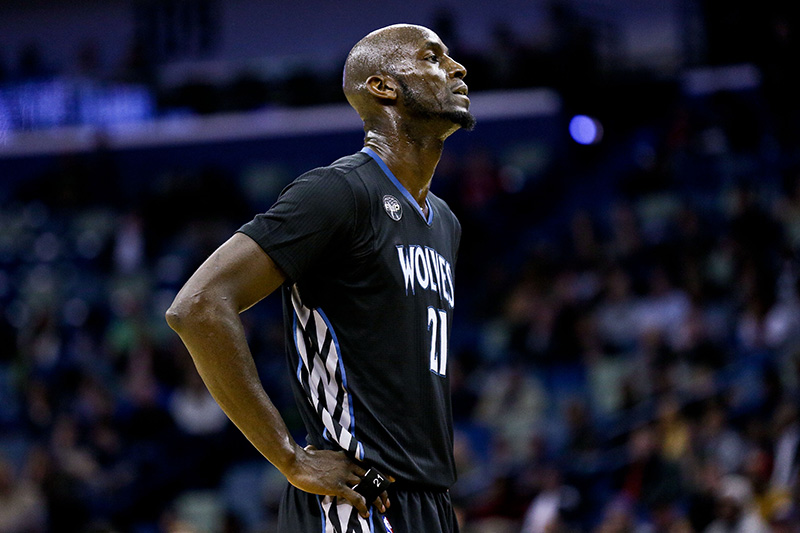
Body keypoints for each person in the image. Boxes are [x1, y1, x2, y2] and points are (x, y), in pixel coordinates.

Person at [166, 23, 475, 533]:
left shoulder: (444, 221)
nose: (457, 68)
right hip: (358, 498)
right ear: (383, 86)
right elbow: (198, 305)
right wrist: (289, 457)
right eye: (432, 57)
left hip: (431, 502)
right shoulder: (337, 192)